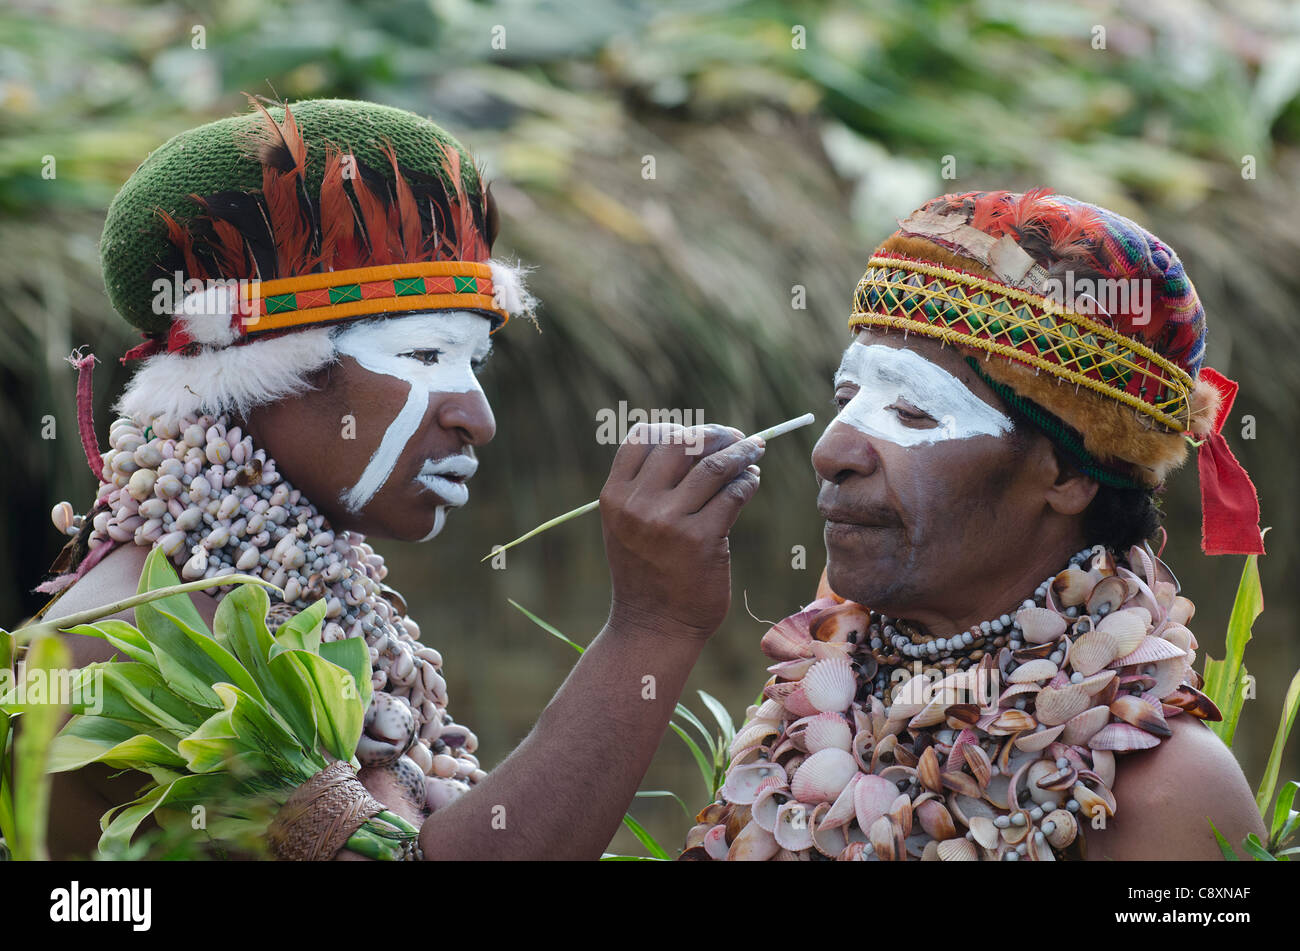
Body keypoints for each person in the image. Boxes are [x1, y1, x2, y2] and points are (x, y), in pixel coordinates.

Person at [35, 98, 765, 860]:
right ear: (258, 377)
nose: (477, 415)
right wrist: (650, 627)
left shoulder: (299, 600)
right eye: (423, 356)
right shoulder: (131, 646)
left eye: (472, 364)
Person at [685, 188, 1268, 861]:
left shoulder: (1167, 795)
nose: (832, 452)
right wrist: (651, 628)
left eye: (913, 411)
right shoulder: (810, 706)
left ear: (1068, 474)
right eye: (849, 399)